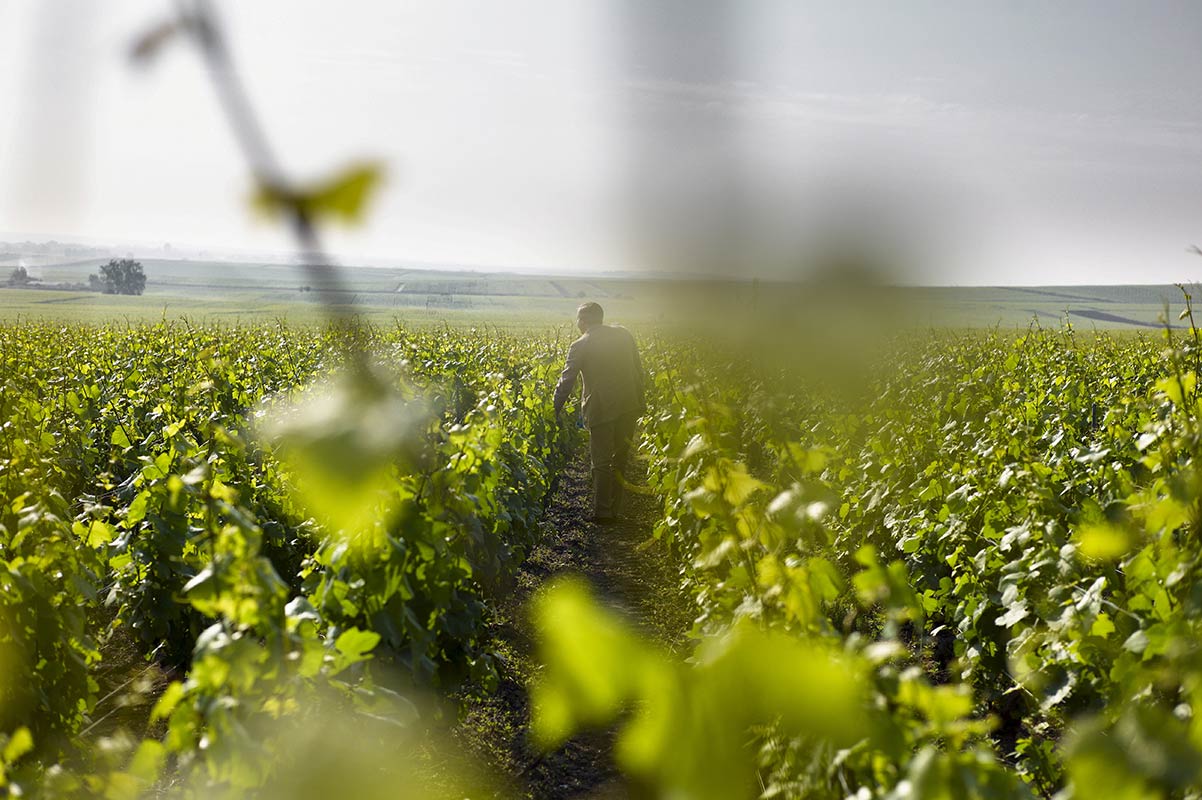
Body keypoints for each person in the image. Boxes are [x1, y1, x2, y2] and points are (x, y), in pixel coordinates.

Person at [553, 302, 645, 523]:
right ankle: (614, 509)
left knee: (601, 461)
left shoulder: (580, 344)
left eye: (578, 320)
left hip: (601, 407)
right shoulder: (624, 334)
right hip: (629, 404)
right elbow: (639, 370)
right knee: (620, 458)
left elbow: (567, 381)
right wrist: (640, 401)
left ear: (583, 321)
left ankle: (602, 512)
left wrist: (554, 408)